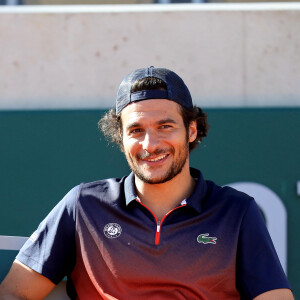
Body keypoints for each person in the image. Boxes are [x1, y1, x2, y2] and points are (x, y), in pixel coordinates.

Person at [0, 66, 294, 300]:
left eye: (165, 126)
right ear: (121, 138)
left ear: (191, 130)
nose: (150, 144)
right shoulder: (83, 205)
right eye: (136, 130)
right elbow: (14, 292)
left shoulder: (236, 211)